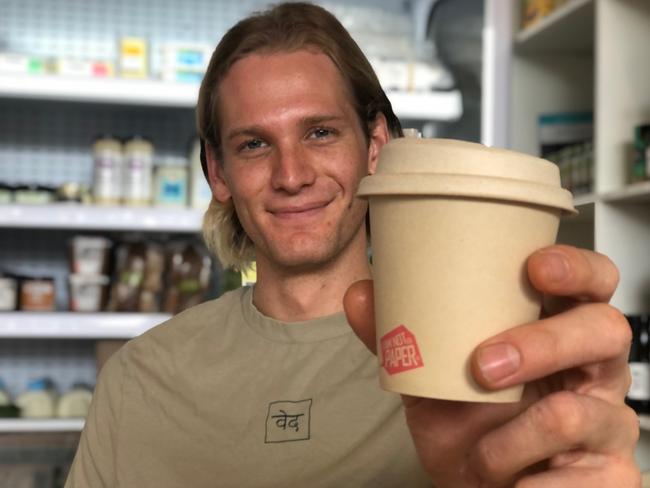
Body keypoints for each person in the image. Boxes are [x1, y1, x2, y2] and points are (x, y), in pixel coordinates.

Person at [66, 3, 640, 487]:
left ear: (376, 146)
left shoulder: (485, 359)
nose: (291, 174)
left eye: (320, 132)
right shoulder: (137, 382)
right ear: (217, 171)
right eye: (253, 145)